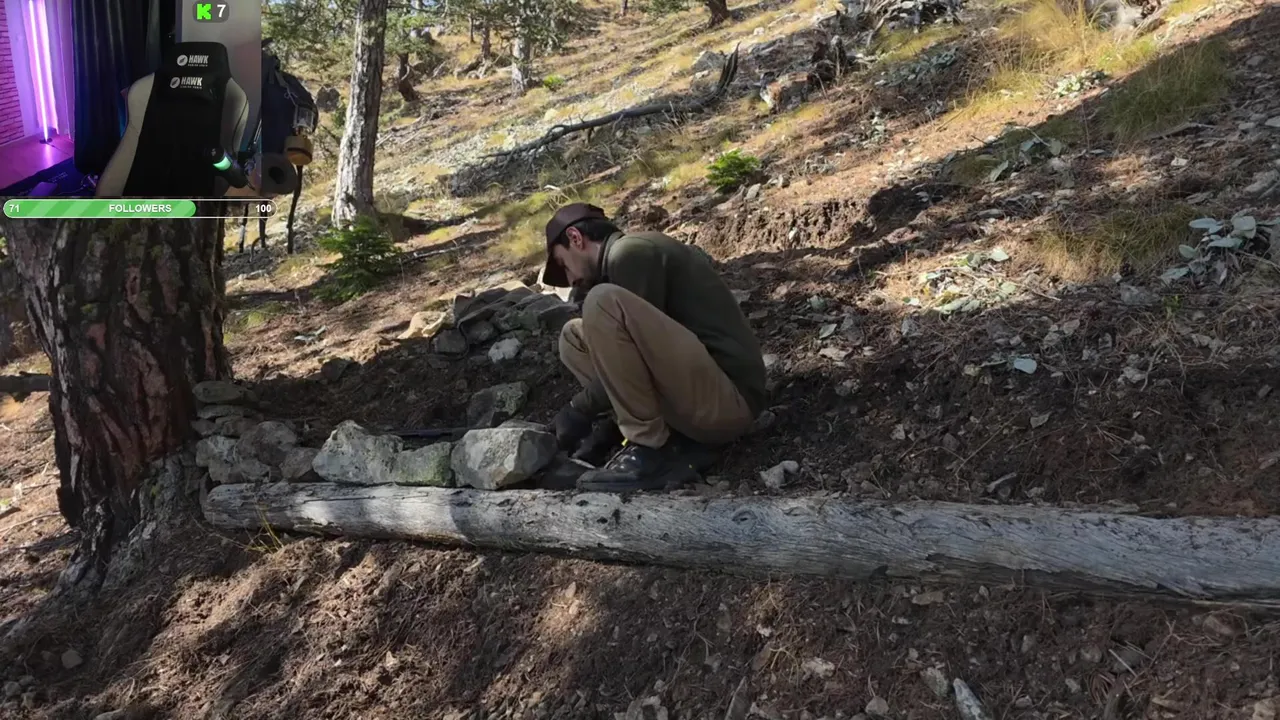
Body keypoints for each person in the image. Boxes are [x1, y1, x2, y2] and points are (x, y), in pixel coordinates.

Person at [542, 203, 768, 491]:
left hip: (729, 403)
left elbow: (637, 357)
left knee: (602, 302)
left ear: (575, 238)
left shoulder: (631, 253)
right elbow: (635, 363)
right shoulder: (624, 260)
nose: (571, 280)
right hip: (700, 396)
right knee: (574, 337)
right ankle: (648, 435)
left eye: (563, 264)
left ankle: (650, 448)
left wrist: (578, 409)